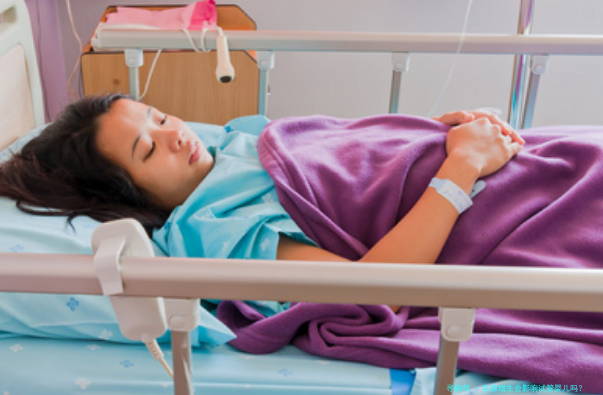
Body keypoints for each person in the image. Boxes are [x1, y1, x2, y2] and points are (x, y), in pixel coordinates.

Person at [0, 94, 523, 270]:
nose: (174, 134)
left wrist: (424, 134)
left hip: (499, 158)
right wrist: (460, 166)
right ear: (125, 195)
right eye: (148, 149)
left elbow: (343, 159)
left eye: (158, 117)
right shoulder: (214, 228)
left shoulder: (235, 141)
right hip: (499, 210)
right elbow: (372, 288)